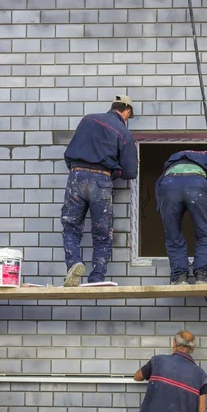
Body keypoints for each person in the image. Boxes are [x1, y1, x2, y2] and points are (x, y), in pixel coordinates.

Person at [61, 95, 138, 287]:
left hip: (76, 176)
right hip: (101, 180)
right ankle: (97, 278)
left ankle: (73, 265)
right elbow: (130, 171)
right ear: (126, 112)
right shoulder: (124, 133)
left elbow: (69, 153)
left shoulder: (88, 119)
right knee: (102, 233)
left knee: (71, 227)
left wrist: (78, 168)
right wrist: (112, 172)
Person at [155, 150, 207, 285]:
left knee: (173, 235)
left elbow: (159, 183)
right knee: (205, 233)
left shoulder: (174, 159)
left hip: (169, 185)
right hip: (197, 184)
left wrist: (161, 208)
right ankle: (202, 276)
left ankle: (179, 278)